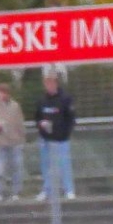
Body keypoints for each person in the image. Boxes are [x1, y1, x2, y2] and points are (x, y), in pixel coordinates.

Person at [35, 69, 76, 201]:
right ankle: (47, 190)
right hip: (46, 139)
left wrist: (65, 133)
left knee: (64, 165)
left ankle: (68, 190)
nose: (49, 85)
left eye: (51, 82)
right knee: (46, 166)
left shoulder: (65, 98)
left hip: (61, 139)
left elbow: (71, 118)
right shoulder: (41, 100)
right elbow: (37, 117)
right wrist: (41, 125)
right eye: (47, 83)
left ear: (56, 83)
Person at [0, 81, 26, 200]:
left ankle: (16, 192)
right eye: (0, 93)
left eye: (5, 93)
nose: (2, 95)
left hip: (15, 142)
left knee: (16, 167)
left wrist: (22, 139)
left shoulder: (15, 106)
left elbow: (20, 123)